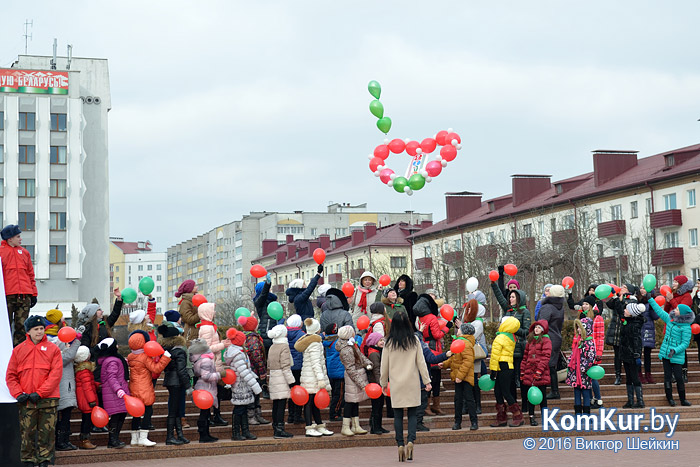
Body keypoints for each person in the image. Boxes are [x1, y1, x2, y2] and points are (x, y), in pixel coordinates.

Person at [6, 315, 62, 466]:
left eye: (41, 329)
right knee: (27, 434)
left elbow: (55, 375)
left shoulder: (53, 349)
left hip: (48, 400)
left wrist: (40, 393)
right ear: (28, 331)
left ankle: (44, 462)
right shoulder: (18, 350)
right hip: (27, 401)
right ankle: (28, 461)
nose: (39, 332)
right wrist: (18, 394)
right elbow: (10, 376)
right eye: (36, 329)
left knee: (47, 434)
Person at [380, 311, 431, 462]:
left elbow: (384, 366)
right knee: (413, 414)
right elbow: (421, 362)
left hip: (396, 383)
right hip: (412, 382)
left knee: (397, 415)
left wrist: (383, 383)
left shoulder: (389, 342)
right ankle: (410, 441)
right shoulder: (414, 340)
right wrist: (426, 381)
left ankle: (400, 444)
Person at [127, 330, 171, 446]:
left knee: (136, 412)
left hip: (134, 386)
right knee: (147, 410)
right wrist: (165, 357)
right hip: (144, 386)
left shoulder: (130, 356)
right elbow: (156, 369)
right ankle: (143, 437)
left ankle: (134, 438)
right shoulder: (144, 357)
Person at [489, 282, 530, 410]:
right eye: (510, 297)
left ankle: (525, 406)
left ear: (519, 298)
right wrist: (494, 284)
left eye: (513, 297)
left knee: (521, 380)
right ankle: (513, 405)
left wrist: (513, 329)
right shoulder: (507, 311)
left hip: (518, 350)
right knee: (510, 382)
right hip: (507, 352)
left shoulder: (524, 312)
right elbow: (500, 297)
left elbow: (526, 332)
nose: (510, 299)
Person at [45, 311, 81, 452]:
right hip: (61, 383)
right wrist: (76, 341)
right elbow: (66, 357)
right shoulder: (54, 340)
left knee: (66, 414)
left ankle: (64, 440)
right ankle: (61, 442)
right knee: (63, 415)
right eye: (62, 317)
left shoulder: (58, 337)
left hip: (65, 382)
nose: (64, 319)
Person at [648, 299, 694, 406]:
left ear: (682, 313)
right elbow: (659, 311)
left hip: (677, 355)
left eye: (677, 309)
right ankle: (670, 398)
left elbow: (685, 343)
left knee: (679, 377)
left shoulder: (686, 327)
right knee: (667, 376)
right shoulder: (670, 319)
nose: (675, 310)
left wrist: (675, 350)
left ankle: (683, 399)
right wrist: (650, 299)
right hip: (666, 354)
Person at [413, 293, 452, 416]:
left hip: (423, 347)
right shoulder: (432, 317)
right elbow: (437, 335)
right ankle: (434, 406)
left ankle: (428, 406)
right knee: (435, 378)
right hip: (434, 347)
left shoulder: (419, 318)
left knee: (427, 378)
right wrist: (447, 328)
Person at [608, 285, 645, 408]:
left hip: (632, 355)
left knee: (635, 377)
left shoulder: (635, 325)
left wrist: (637, 354)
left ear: (631, 313)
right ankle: (630, 400)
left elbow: (637, 341)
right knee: (628, 378)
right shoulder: (627, 321)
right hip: (625, 354)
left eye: (627, 310)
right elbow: (619, 310)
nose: (624, 310)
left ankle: (640, 401)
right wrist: (615, 297)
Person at [0, 225, 38, 346]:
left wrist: (33, 293)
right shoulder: (1, 252)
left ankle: (19, 352)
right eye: (18, 236)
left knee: (22, 326)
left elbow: (30, 274)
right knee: (4, 326)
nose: (20, 239)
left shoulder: (24, 253)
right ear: (10, 238)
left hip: (24, 295)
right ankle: (4, 351)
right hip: (6, 295)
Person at [296, 318, 333, 437]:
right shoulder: (315, 344)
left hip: (309, 376)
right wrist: (321, 379)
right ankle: (309, 427)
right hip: (312, 378)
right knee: (310, 402)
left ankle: (318, 424)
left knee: (313, 402)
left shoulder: (309, 342)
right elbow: (316, 363)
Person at [224, 329, 263, 441]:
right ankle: (236, 432)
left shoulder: (239, 352)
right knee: (239, 408)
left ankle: (245, 431)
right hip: (240, 385)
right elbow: (243, 372)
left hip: (243, 384)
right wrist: (255, 385)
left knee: (243, 408)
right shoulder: (238, 355)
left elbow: (247, 369)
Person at [197, 302, 231, 426]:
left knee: (215, 391)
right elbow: (205, 348)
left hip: (213, 363)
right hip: (210, 364)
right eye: (212, 310)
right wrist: (222, 345)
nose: (215, 313)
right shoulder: (207, 328)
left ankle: (214, 416)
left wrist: (221, 342)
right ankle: (211, 416)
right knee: (211, 391)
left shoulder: (209, 326)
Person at [157, 322, 191, 445]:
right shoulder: (180, 351)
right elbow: (182, 370)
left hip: (170, 381)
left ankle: (179, 435)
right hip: (177, 382)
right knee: (174, 411)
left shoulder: (167, 350)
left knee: (174, 409)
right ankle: (170, 436)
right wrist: (188, 386)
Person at [337, 325, 372, 437]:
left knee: (355, 401)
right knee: (350, 401)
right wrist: (362, 384)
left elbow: (360, 356)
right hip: (353, 377)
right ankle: (345, 426)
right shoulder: (346, 349)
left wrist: (367, 363)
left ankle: (356, 425)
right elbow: (351, 369)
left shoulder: (352, 344)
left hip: (357, 375)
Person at [489, 316, 524, 427]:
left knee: (503, 392)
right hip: (508, 367)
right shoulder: (511, 337)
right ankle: (502, 418)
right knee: (499, 392)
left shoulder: (500, 337)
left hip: (502, 367)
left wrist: (493, 370)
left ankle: (517, 415)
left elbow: (495, 356)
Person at [95, 337, 130, 448]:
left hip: (116, 392)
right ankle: (113, 440)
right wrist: (118, 390)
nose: (118, 346)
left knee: (120, 415)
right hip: (115, 393)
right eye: (116, 344)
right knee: (117, 416)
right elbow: (111, 377)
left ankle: (115, 439)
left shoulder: (111, 360)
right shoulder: (112, 361)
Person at [189, 338, 225, 443]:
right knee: (204, 413)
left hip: (202, 388)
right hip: (206, 388)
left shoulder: (197, 359)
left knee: (205, 412)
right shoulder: (206, 360)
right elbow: (206, 376)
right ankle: (204, 435)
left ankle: (206, 434)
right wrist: (220, 375)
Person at [414, 328, 450, 432]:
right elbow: (432, 359)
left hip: (411, 379)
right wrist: (446, 355)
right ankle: (418, 423)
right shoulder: (423, 347)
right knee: (422, 402)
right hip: (422, 378)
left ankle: (414, 423)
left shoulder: (406, 347)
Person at [444, 323, 478, 431]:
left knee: (469, 399)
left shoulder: (465, 344)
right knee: (458, 400)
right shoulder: (460, 342)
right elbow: (455, 358)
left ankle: (473, 422)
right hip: (459, 376)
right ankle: (457, 422)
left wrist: (459, 376)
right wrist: (445, 364)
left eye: (459, 329)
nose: (457, 330)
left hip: (465, 377)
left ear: (464, 332)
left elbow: (467, 361)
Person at [267, 324, 295, 438]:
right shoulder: (284, 346)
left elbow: (268, 363)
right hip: (282, 378)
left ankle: (275, 428)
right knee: (282, 405)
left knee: (276, 404)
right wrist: (291, 381)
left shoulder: (272, 346)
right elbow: (285, 366)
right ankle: (280, 429)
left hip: (273, 376)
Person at [520, 320, 551, 426]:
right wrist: (522, 371)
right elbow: (525, 357)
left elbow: (545, 357)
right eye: (535, 327)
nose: (536, 329)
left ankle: (545, 417)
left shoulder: (546, 341)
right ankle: (531, 417)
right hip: (529, 372)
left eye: (539, 328)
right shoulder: (530, 341)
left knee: (542, 397)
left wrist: (539, 371)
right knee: (531, 396)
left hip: (541, 373)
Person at [538, 284, 566, 399]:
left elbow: (541, 324)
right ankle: (554, 389)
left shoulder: (547, 307)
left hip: (548, 338)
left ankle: (554, 391)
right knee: (552, 365)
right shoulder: (561, 307)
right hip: (557, 337)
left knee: (547, 365)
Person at [664, 275, 694, 383]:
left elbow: (680, 310)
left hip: (680, 326)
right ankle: (672, 373)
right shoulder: (673, 295)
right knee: (669, 348)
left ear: (681, 284)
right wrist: (668, 300)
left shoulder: (687, 296)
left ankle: (683, 372)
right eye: (673, 281)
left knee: (681, 349)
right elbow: (667, 309)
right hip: (671, 325)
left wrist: (672, 300)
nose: (673, 284)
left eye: (676, 282)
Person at [565, 318, 597, 415]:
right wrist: (570, 361)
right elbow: (574, 354)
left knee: (586, 393)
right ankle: (578, 413)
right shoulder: (579, 341)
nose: (578, 330)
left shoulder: (589, 343)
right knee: (577, 392)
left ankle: (586, 413)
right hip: (575, 373)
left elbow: (591, 358)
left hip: (584, 373)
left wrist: (583, 367)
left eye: (580, 328)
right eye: (577, 328)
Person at [242, 316, 270, 421]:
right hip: (254, 370)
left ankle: (257, 414)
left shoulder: (245, 336)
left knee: (255, 393)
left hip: (249, 370)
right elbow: (257, 356)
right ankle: (252, 416)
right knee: (254, 393)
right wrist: (262, 371)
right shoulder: (253, 338)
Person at [581, 297, 605, 408]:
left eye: (586, 304)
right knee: (586, 376)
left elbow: (600, 336)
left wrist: (599, 352)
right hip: (583, 350)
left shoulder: (598, 318)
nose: (584, 306)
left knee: (593, 375)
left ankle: (598, 399)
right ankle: (590, 399)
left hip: (593, 350)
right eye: (583, 304)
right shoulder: (582, 317)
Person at [364, 331, 389, 434]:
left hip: (378, 383)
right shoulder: (374, 354)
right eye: (380, 340)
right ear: (374, 341)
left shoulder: (378, 352)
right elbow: (377, 370)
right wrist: (381, 383)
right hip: (376, 384)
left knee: (379, 406)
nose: (382, 342)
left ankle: (378, 425)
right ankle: (375, 427)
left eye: (383, 340)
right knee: (376, 406)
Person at [74, 345, 98, 449]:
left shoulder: (82, 370)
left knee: (86, 419)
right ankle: (85, 440)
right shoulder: (85, 371)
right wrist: (92, 400)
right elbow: (87, 387)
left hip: (84, 399)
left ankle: (85, 439)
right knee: (87, 420)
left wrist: (97, 385)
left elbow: (89, 383)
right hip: (86, 400)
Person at [322, 323, 345, 422]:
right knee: (339, 394)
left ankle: (335, 412)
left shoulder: (327, 341)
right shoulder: (338, 341)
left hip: (331, 371)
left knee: (335, 393)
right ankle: (335, 413)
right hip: (339, 372)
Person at [286, 314, 305, 424]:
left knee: (291, 391)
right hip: (299, 366)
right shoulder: (301, 334)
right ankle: (297, 415)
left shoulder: (285, 333)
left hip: (289, 366)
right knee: (299, 391)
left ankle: (290, 415)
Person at [254, 273, 279, 351]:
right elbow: (263, 295)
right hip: (266, 333)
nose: (270, 290)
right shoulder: (259, 301)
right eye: (269, 289)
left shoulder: (271, 301)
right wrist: (267, 284)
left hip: (272, 332)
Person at [640, 290, 659, 384]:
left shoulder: (652, 302)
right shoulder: (637, 300)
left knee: (647, 354)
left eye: (644, 288)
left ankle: (648, 374)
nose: (642, 290)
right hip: (638, 329)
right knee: (637, 354)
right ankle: (639, 374)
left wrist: (652, 306)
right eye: (641, 287)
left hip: (648, 330)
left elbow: (656, 316)